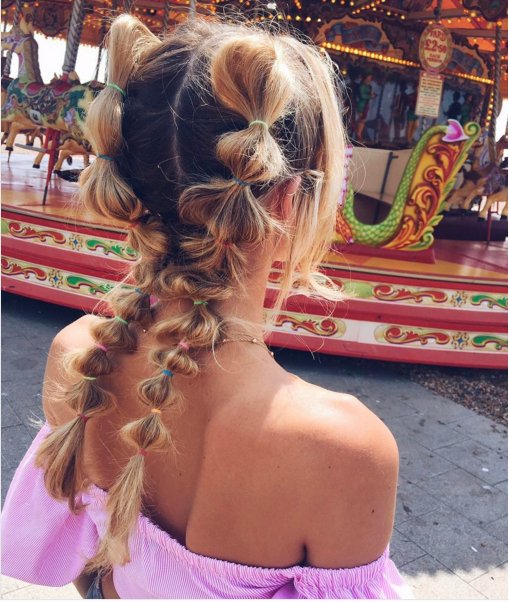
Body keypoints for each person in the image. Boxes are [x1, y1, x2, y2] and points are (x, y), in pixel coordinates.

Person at [1, 14, 411, 600]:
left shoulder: (79, 358)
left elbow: (92, 569)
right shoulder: (345, 450)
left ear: (130, 179)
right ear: (288, 200)